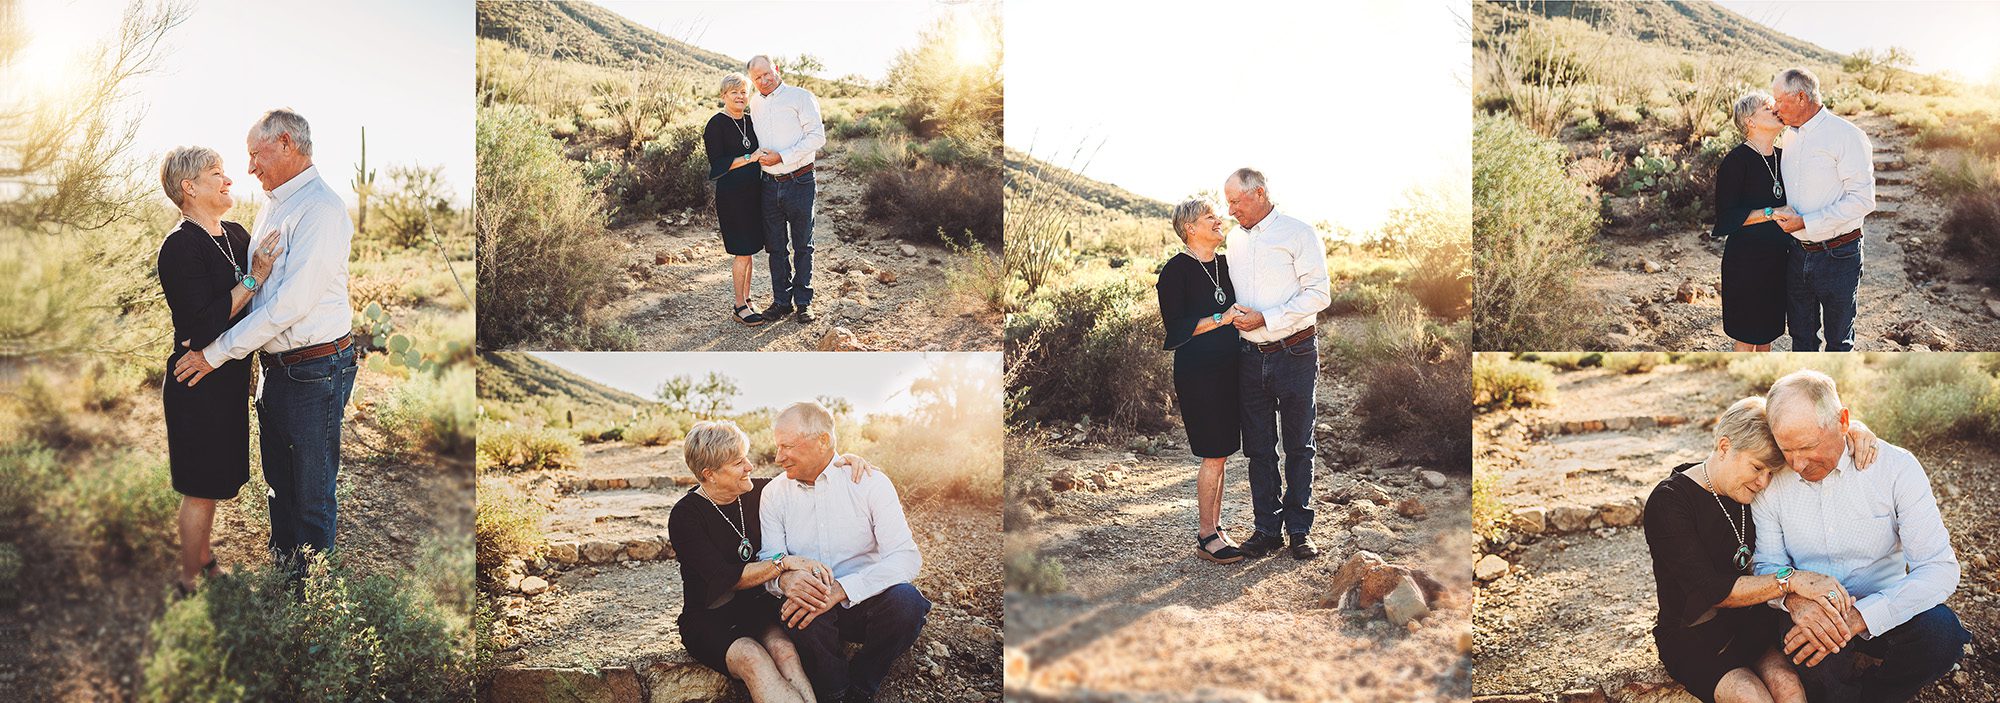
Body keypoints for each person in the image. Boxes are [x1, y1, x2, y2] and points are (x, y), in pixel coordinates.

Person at [172, 108, 357, 577]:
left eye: (255, 154)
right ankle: (284, 569)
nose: (249, 167)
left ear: (286, 145)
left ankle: (309, 595)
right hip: (273, 369)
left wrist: (215, 354)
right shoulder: (274, 203)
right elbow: (246, 291)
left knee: (311, 488)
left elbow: (287, 305)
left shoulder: (321, 210)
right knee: (279, 482)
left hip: (314, 368)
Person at [1753, 370, 1970, 702]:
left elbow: (1939, 568)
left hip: (1885, 602)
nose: (1796, 463)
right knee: (1810, 657)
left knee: (1942, 637)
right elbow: (1767, 564)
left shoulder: (1896, 468)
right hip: (1811, 610)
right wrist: (1794, 601)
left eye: (1807, 447)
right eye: (1786, 449)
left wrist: (1860, 617)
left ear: (1843, 421)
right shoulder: (1772, 480)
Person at [1643, 396, 1877, 703]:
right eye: (1757, 468)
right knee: (1750, 696)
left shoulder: (1747, 486)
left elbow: (1804, 412)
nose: (1763, 482)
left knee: (1789, 687)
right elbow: (1709, 589)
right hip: (1693, 634)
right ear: (1725, 447)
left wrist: (1854, 429)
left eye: (1770, 472)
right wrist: (1791, 580)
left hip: (1749, 627)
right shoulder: (1669, 502)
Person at [155, 146, 280, 594]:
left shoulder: (236, 234)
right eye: (216, 173)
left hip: (225, 379)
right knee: (200, 486)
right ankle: (189, 581)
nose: (228, 181)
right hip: (197, 380)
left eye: (226, 173)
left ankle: (203, 558)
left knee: (215, 480)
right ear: (189, 188)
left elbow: (225, 320)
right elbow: (200, 325)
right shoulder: (179, 246)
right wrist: (252, 280)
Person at [759, 402, 928, 703]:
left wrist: (841, 589)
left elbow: (905, 556)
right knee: (799, 611)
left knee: (907, 604)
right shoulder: (774, 493)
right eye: (777, 446)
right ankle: (834, 694)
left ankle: (862, 688)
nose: (778, 456)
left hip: (865, 602)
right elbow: (769, 559)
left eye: (787, 446)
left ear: (822, 440)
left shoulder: (870, 483)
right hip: (811, 606)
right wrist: (783, 582)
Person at [1221, 168, 1330, 560]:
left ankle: (1299, 530)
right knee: (1259, 448)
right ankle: (1266, 529)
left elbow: (1319, 294)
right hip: (1249, 357)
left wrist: (1268, 318)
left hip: (1296, 352)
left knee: (1300, 444)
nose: (1230, 209)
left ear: (1260, 193)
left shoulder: (1299, 233)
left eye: (1236, 200)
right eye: (1228, 201)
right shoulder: (1233, 240)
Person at [1156, 198, 1244, 564]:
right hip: (1198, 373)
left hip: (1231, 369)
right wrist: (1222, 318)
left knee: (1222, 452)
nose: (1218, 220)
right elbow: (1176, 328)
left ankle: (1217, 526)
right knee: (1212, 452)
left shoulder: (1227, 265)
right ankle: (1206, 534)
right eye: (1210, 217)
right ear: (1189, 228)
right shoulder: (1175, 271)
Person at [1769, 68, 1875, 351]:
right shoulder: (1788, 136)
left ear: (1801, 97)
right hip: (1797, 253)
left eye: (1779, 100)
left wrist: (1806, 222)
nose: (1775, 107)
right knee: (1801, 339)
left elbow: (1863, 200)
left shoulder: (1846, 136)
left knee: (1838, 342)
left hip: (1838, 255)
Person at [746, 56, 827, 324]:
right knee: (776, 248)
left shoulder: (800, 97)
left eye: (767, 74)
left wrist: (783, 156)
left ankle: (804, 302)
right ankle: (782, 302)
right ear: (753, 80)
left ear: (776, 69)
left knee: (803, 244)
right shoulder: (755, 103)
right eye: (758, 77)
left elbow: (817, 137)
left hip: (800, 181)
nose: (764, 80)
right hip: (768, 185)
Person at [1712, 93, 1795, 352]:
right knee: (1747, 336)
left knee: (1767, 333)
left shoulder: (1785, 157)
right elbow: (1726, 217)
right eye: (1768, 108)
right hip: (1746, 263)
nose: (1777, 110)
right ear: (1750, 121)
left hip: (1778, 259)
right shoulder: (1736, 161)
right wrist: (1772, 212)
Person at [705, 72, 774, 327]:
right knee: (742, 252)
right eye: (734, 92)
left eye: (744, 92)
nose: (740, 96)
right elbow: (718, 164)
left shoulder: (750, 120)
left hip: (754, 193)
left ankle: (747, 299)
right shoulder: (716, 124)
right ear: (724, 95)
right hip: (732, 196)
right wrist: (750, 157)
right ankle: (738, 306)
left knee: (751, 251)